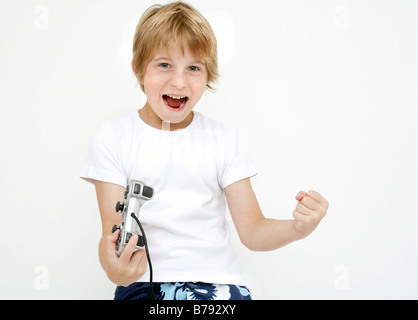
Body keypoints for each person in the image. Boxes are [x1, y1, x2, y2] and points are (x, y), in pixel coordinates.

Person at [80, 1, 329, 300]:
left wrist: (298, 228)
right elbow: (112, 234)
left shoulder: (223, 140)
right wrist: (116, 269)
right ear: (138, 69)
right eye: (164, 64)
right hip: (145, 286)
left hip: (220, 286)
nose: (179, 81)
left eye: (194, 68)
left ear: (208, 76)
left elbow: (252, 231)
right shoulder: (113, 138)